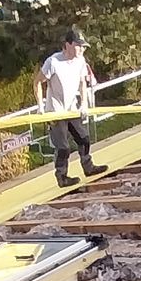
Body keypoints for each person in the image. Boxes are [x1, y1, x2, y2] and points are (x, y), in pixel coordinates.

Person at [36, 29, 108, 188]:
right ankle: (62, 176)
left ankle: (88, 167)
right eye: (79, 46)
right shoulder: (53, 62)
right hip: (55, 111)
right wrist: (41, 106)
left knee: (84, 139)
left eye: (84, 47)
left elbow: (82, 83)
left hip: (71, 108)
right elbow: (37, 82)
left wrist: (83, 104)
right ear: (68, 45)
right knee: (63, 147)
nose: (82, 49)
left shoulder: (80, 61)